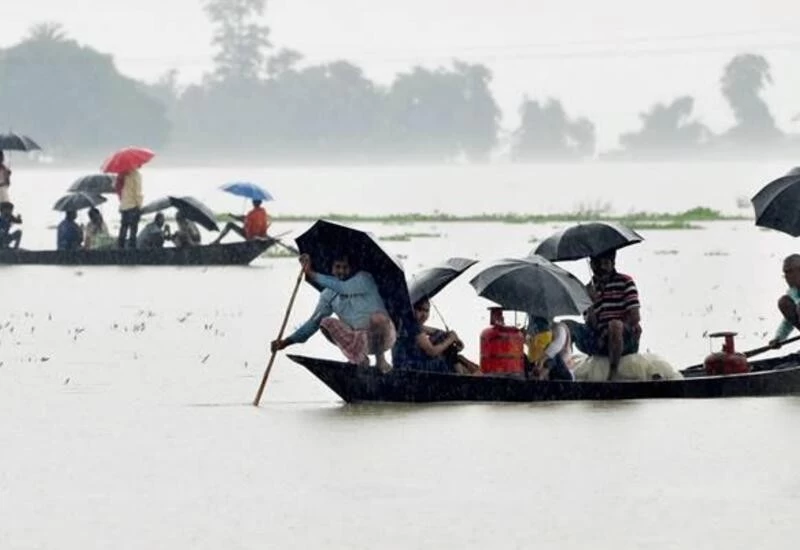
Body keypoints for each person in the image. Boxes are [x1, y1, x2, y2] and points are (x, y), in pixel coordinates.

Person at [271, 253, 397, 372]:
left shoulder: (364, 278)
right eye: (337, 267)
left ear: (352, 269)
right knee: (325, 322)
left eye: (345, 267)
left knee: (378, 318)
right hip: (357, 341)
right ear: (331, 269)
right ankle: (359, 359)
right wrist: (285, 342)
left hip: (381, 338)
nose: (341, 271)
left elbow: (343, 288)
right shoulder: (328, 294)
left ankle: (381, 360)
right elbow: (313, 323)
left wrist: (310, 273)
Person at [564, 249, 642, 381]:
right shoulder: (590, 288)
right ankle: (563, 370)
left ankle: (613, 373)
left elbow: (635, 317)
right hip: (600, 340)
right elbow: (591, 325)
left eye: (605, 263)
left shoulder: (625, 282)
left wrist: (610, 330)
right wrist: (591, 304)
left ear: (613, 263)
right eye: (596, 264)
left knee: (614, 325)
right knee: (566, 326)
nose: (601, 268)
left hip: (625, 338)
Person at [391, 297, 480, 374]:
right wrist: (450, 339)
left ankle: (464, 371)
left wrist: (453, 338)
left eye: (427, 310)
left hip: (412, 364)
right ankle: (460, 375)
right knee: (445, 347)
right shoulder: (411, 325)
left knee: (443, 339)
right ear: (412, 309)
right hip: (413, 368)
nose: (424, 315)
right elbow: (431, 351)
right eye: (420, 309)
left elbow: (435, 331)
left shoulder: (408, 323)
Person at [525, 316, 574, 381]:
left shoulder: (559, 328)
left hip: (561, 372)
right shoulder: (540, 334)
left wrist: (542, 360)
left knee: (552, 359)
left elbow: (555, 347)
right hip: (546, 371)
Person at [769, 254, 800, 348]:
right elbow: (789, 321)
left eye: (789, 272)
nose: (786, 277)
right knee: (784, 302)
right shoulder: (794, 292)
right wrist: (779, 338)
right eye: (785, 273)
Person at [116, 168, 143, 248]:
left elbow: (118, 189)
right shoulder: (136, 175)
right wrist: (139, 205)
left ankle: (120, 249)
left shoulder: (122, 174)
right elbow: (137, 192)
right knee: (133, 231)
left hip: (124, 206)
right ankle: (132, 251)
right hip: (133, 205)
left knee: (123, 229)